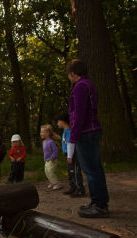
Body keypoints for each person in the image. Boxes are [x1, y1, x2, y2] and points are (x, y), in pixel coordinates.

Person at [67, 59, 109, 218]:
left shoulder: (80, 87)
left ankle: (99, 205)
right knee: (95, 168)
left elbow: (79, 114)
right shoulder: (88, 84)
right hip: (91, 130)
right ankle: (97, 201)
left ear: (73, 74)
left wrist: (74, 135)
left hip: (86, 132)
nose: (69, 78)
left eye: (69, 75)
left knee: (91, 170)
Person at [53, 113, 85, 197]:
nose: (57, 123)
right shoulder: (65, 131)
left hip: (73, 155)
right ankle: (73, 187)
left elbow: (71, 143)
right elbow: (64, 140)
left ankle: (80, 189)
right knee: (70, 171)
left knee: (75, 172)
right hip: (68, 154)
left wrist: (70, 156)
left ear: (63, 121)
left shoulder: (70, 131)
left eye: (58, 121)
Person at [40, 124, 61, 190]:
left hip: (52, 160)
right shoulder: (43, 142)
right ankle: (52, 182)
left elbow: (55, 150)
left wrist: (52, 158)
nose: (41, 133)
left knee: (50, 171)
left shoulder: (51, 142)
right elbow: (45, 152)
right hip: (47, 160)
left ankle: (57, 184)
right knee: (46, 171)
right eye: (41, 132)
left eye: (43, 132)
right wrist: (44, 159)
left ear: (48, 133)